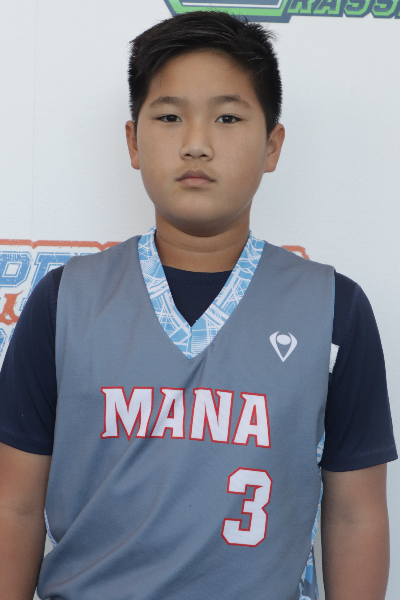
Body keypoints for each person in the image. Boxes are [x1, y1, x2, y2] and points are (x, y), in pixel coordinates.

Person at [0, 11, 396, 600]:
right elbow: (14, 504)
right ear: (133, 142)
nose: (196, 143)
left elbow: (354, 513)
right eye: (169, 117)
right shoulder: (64, 303)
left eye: (228, 117)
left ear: (272, 145)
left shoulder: (334, 310)